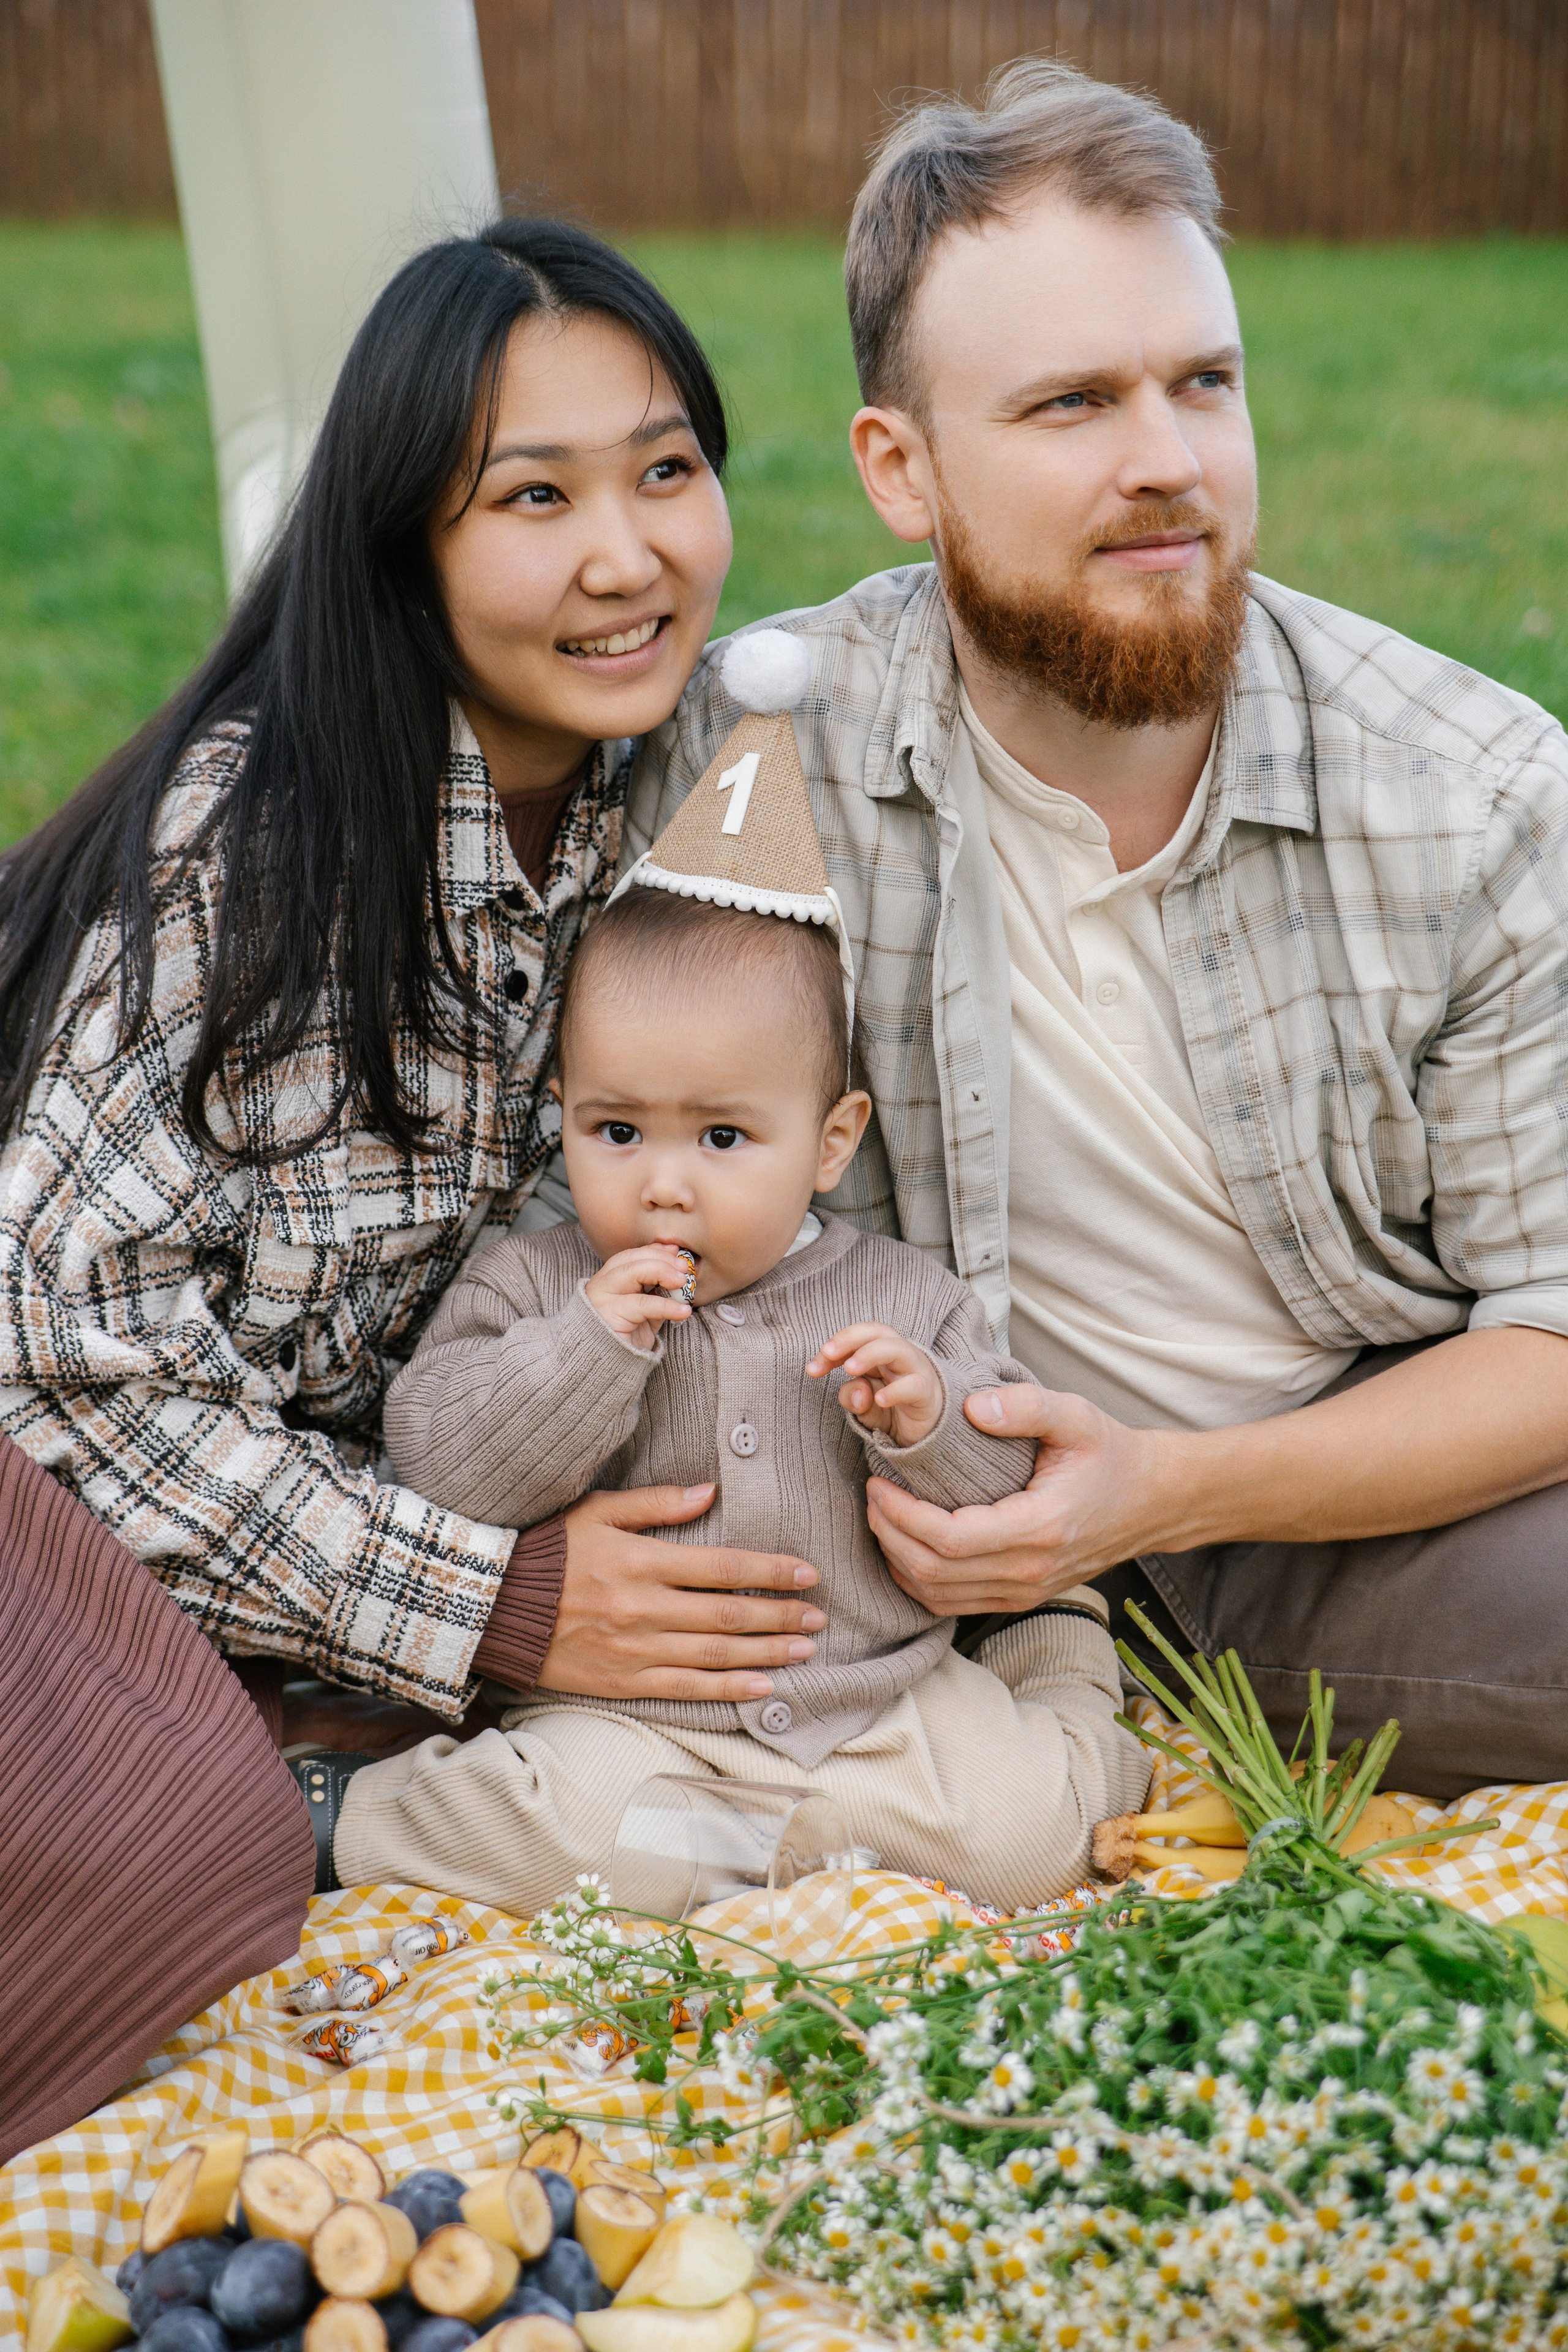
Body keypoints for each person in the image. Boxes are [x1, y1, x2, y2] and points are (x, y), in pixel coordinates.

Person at [627, 59, 1568, 1804]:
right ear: (901, 469)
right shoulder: (761, 759)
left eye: (1203, 383)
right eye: (1072, 404)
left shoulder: (1475, 795)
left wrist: (1161, 1495)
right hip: (872, 1513)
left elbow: (1555, 1330)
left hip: (1321, 1491)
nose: (1167, 464)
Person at [0, 219, 821, 2158]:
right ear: (403, 546)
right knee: (174, 1856)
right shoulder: (258, 854)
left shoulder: (658, 808)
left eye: (667, 470)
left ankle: (303, 1735)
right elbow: (57, 1368)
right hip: (40, 1485)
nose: (627, 555)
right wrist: (489, 1606)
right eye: (535, 497)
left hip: (284, 1536)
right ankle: (277, 1776)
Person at [355, 678, 1143, 1915]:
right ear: (562, 1115)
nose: (663, 1185)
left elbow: (1003, 1493)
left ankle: (1058, 1667)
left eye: (722, 1138)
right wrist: (585, 1350)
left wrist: (927, 1422)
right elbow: (444, 1470)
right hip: (631, 1722)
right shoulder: (534, 1285)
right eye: (616, 1131)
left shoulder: (904, 1296)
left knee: (1023, 1843)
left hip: (876, 1703)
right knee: (561, 1832)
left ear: (831, 1143)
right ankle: (340, 1806)